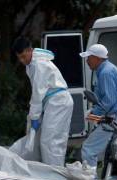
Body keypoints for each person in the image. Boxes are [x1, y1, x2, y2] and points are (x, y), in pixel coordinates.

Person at [12, 37, 74, 166]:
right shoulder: (32, 64)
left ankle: (55, 174)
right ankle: (48, 170)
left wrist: (34, 116)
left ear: (30, 50)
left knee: (51, 140)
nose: (22, 61)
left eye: (23, 56)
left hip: (58, 102)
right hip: (52, 101)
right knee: (44, 139)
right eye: (19, 58)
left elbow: (37, 94)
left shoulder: (39, 64)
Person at [79, 44, 117, 180]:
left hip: (116, 116)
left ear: (97, 58)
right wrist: (94, 112)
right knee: (110, 153)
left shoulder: (105, 72)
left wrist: (94, 112)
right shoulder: (105, 70)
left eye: (89, 58)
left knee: (88, 149)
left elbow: (109, 101)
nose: (87, 61)